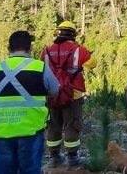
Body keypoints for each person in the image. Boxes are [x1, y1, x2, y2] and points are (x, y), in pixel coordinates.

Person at [0, 30, 59, 174]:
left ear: (9, 49)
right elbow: (54, 90)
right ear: (31, 48)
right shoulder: (39, 67)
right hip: (29, 128)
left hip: (0, 129)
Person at [40, 20, 96, 167]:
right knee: (72, 124)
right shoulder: (78, 50)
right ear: (73, 34)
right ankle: (72, 158)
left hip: (51, 95)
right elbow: (93, 63)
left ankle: (54, 157)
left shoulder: (46, 52)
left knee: (53, 125)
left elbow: (41, 68)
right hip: (73, 94)